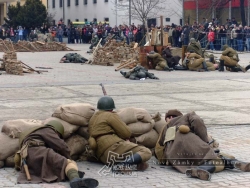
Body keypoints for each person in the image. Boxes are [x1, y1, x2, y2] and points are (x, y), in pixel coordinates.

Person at [154, 109, 250, 181]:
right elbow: (197, 121)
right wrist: (205, 142)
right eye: (168, 117)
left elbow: (158, 149)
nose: (171, 118)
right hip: (189, 143)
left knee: (209, 157)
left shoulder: (165, 128)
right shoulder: (187, 116)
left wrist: (166, 159)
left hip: (175, 157)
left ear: (179, 116)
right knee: (214, 157)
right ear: (166, 119)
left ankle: (200, 169)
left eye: (173, 116)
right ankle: (232, 163)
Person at [15, 120, 99, 188]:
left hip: (27, 158)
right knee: (68, 163)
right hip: (39, 152)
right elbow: (62, 146)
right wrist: (68, 159)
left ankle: (69, 173)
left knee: (57, 164)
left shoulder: (34, 133)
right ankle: (75, 179)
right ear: (57, 131)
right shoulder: (48, 130)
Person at [88, 96, 152, 173]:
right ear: (111, 108)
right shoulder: (110, 115)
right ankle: (123, 165)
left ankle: (127, 162)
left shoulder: (93, 118)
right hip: (113, 148)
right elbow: (126, 133)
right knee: (145, 152)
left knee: (132, 154)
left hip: (103, 156)